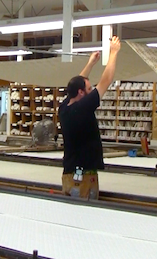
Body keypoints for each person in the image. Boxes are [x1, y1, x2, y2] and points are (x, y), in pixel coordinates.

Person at [58, 36, 121, 199]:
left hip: (72, 173)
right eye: (88, 88)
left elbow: (75, 83)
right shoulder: (82, 108)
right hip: (82, 175)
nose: (91, 89)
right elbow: (106, 80)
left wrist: (91, 63)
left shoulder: (65, 107)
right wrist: (113, 53)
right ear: (81, 93)